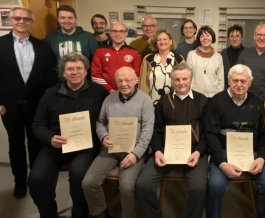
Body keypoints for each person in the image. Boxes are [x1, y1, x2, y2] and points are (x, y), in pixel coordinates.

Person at [28, 53, 108, 218]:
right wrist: (50, 138)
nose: (75, 72)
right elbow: (37, 124)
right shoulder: (50, 94)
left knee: (79, 176)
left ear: (86, 71)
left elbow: (108, 119)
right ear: (63, 73)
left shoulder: (99, 92)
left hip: (85, 146)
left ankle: (79, 213)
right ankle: (49, 213)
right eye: (70, 69)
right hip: (55, 144)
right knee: (36, 179)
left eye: (79, 68)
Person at [206, 64, 265, 218]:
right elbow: (211, 135)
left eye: (243, 81)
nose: (239, 84)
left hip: (252, 154)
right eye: (235, 80)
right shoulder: (216, 101)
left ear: (250, 83)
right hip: (223, 153)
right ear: (228, 80)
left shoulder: (258, 103)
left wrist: (261, 158)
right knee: (215, 186)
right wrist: (221, 163)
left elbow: (263, 135)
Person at [136, 63, 208, 218]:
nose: (181, 82)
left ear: (191, 80)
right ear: (172, 81)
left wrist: (198, 152)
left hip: (193, 153)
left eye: (184, 79)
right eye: (177, 79)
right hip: (165, 153)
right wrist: (157, 152)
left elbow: (208, 133)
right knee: (143, 185)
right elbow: (155, 130)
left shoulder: (202, 101)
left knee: (199, 188)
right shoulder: (163, 101)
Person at [0, 6, 57, 199]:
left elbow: (50, 77)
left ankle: (36, 179)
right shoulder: (0, 44)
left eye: (26, 19)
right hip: (10, 106)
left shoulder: (41, 46)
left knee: (36, 143)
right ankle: (19, 181)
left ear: (31, 22)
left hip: (37, 105)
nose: (21, 22)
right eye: (17, 18)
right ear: (10, 20)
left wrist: (49, 103)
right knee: (15, 144)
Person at [83, 67, 154, 218]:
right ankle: (101, 213)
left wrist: (136, 154)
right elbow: (100, 123)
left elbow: (148, 131)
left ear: (135, 80)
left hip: (133, 152)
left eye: (127, 80)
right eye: (120, 81)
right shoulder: (109, 99)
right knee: (88, 183)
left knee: (127, 187)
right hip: (110, 149)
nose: (124, 84)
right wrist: (103, 136)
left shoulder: (145, 100)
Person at [45, 5, 98, 82]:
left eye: (70, 18)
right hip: (59, 83)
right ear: (58, 20)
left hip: (84, 82)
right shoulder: (50, 38)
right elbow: (48, 64)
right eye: (63, 18)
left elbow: (95, 62)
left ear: (76, 19)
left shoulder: (88, 37)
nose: (67, 21)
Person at [91, 22, 141, 93]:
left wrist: (125, 89)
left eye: (121, 31)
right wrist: (109, 89)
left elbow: (137, 75)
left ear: (126, 33)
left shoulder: (134, 52)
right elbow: (95, 75)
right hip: (103, 92)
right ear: (110, 33)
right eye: (114, 31)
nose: (118, 34)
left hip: (128, 92)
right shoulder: (100, 51)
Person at [138, 29, 184, 105]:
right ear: (156, 43)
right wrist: (143, 103)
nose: (162, 42)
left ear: (170, 42)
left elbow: (183, 83)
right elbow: (143, 84)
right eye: (159, 40)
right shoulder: (148, 60)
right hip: (152, 104)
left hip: (173, 104)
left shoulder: (179, 60)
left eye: (165, 39)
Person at [186, 25, 224, 98]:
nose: (205, 38)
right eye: (202, 36)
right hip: (195, 95)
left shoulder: (218, 57)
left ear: (212, 38)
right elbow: (187, 76)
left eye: (208, 35)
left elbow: (221, 79)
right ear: (199, 39)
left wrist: (219, 95)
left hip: (214, 96)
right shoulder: (191, 55)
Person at [221, 24, 245, 89]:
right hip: (226, 88)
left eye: (237, 36)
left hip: (241, 88)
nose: (234, 39)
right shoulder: (223, 53)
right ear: (228, 38)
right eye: (232, 36)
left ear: (242, 38)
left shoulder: (247, 52)